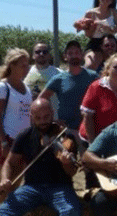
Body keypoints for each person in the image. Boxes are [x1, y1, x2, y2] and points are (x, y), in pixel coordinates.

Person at [39, 40, 98, 188]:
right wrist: (53, 120)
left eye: (77, 52)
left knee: (91, 168)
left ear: (82, 55)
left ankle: (92, 197)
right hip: (67, 131)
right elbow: (41, 100)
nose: (74, 56)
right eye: (70, 53)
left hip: (88, 130)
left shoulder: (93, 76)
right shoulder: (59, 79)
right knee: (64, 166)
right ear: (65, 56)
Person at [79, 53, 117, 143]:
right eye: (116, 67)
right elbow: (87, 116)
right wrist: (93, 144)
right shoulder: (96, 87)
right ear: (108, 68)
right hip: (94, 138)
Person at [0, 48, 33, 168]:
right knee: (7, 176)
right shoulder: (2, 87)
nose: (27, 68)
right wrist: (4, 143)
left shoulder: (26, 88)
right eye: (23, 65)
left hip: (23, 140)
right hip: (8, 139)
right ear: (12, 66)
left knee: (18, 176)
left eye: (27, 65)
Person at [79, 0, 117, 71]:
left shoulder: (114, 12)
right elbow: (85, 32)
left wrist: (110, 28)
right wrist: (87, 27)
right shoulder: (90, 13)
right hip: (95, 42)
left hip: (111, 41)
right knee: (90, 65)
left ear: (112, 1)